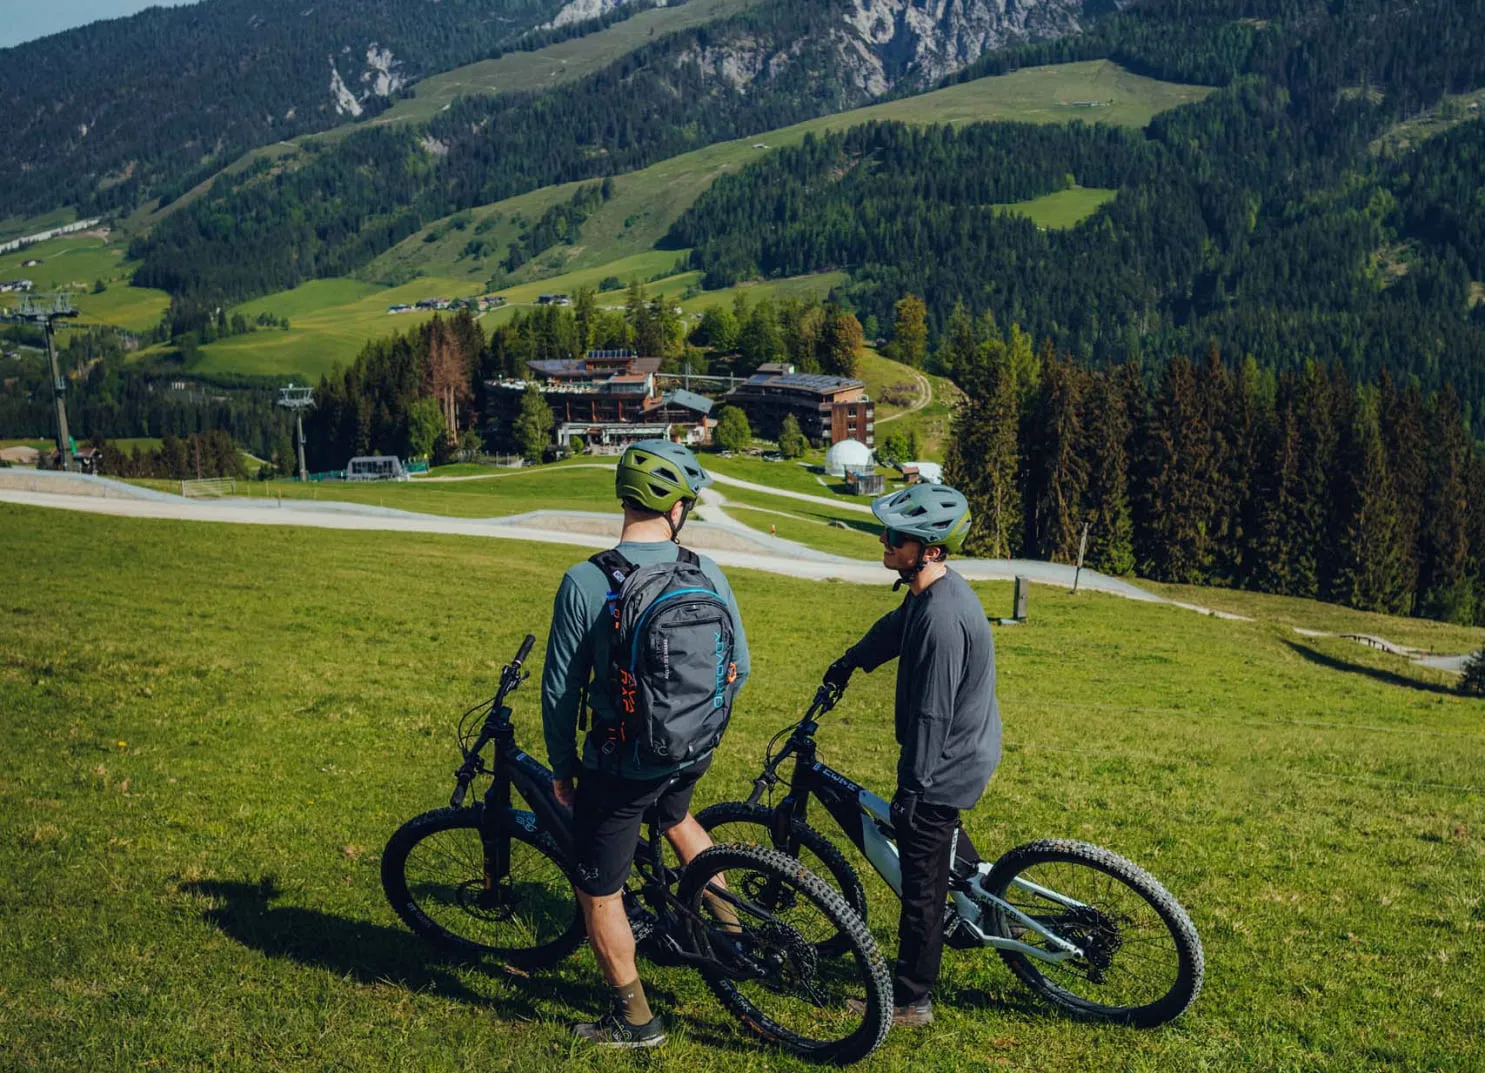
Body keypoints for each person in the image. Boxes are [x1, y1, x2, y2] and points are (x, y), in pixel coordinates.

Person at [542, 439, 750, 1049]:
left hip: (620, 766)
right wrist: (695, 730)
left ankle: (635, 1020)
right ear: (677, 508)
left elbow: (560, 693)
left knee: (597, 891)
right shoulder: (706, 571)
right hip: (693, 752)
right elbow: (739, 667)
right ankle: (733, 935)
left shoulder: (585, 582)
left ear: (625, 499)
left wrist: (563, 769)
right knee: (677, 817)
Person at [826, 483, 999, 1028]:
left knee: (922, 889)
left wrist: (912, 790)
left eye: (896, 537)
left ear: (930, 550)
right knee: (937, 848)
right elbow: (894, 630)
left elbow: (931, 716)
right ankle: (993, 904)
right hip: (961, 748)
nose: (885, 541)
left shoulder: (943, 619)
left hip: (948, 760)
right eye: (887, 532)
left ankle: (911, 1002)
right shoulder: (927, 592)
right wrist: (850, 662)